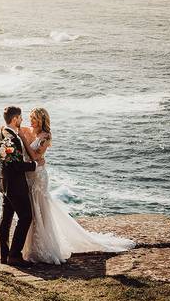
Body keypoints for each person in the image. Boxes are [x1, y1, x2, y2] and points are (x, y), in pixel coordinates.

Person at [19, 107, 135, 264]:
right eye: (30, 117)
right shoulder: (28, 130)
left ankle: (42, 247)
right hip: (29, 175)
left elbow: (35, 156)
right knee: (32, 209)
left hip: (39, 176)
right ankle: (30, 246)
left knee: (40, 208)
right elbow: (7, 128)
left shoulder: (45, 136)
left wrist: (24, 140)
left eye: (34, 118)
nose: (31, 120)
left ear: (42, 120)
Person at [0, 106, 38, 267]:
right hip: (15, 185)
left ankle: (4, 255)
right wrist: (33, 165)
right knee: (26, 217)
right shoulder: (12, 139)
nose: (22, 120)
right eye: (20, 118)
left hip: (4, 183)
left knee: (6, 219)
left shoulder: (0, 135)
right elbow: (17, 166)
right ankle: (14, 255)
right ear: (14, 119)